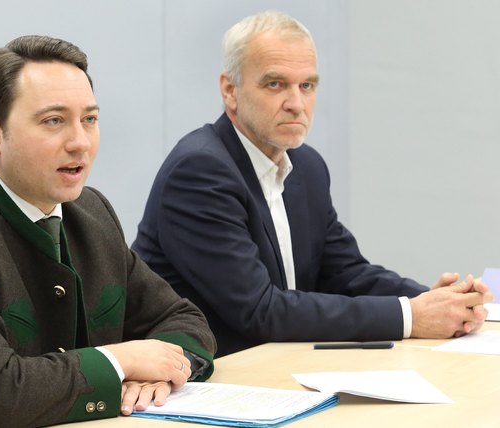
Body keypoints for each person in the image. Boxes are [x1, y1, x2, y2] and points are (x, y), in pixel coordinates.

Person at [0, 35, 216, 427]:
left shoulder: (91, 212)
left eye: (90, 119)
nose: (80, 142)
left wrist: (156, 377)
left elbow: (183, 319)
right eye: (54, 121)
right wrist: (122, 360)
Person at [132, 10, 492, 357]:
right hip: (205, 382)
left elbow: (346, 272)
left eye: (307, 85)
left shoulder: (306, 165)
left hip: (279, 369)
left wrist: (438, 301)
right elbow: (260, 311)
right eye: (276, 84)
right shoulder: (200, 171)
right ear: (230, 90)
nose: (296, 103)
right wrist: (412, 317)